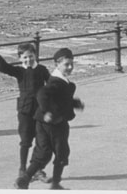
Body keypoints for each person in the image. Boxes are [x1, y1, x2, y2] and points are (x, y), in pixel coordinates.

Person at [14, 48, 85, 190]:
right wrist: (47, 111)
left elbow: (60, 99)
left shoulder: (62, 81)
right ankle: (55, 184)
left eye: (72, 64)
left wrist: (74, 103)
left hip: (42, 123)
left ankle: (24, 179)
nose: (70, 67)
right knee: (61, 152)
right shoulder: (56, 81)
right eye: (66, 64)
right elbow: (41, 94)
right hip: (55, 123)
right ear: (57, 65)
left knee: (43, 152)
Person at [0, 42, 51, 182]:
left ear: (35, 55)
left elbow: (51, 85)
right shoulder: (19, 71)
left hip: (40, 111)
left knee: (41, 141)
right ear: (20, 58)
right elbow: (3, 67)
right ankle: (22, 170)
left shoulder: (42, 70)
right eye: (25, 57)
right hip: (25, 111)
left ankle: (37, 170)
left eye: (31, 56)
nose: (28, 60)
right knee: (25, 142)